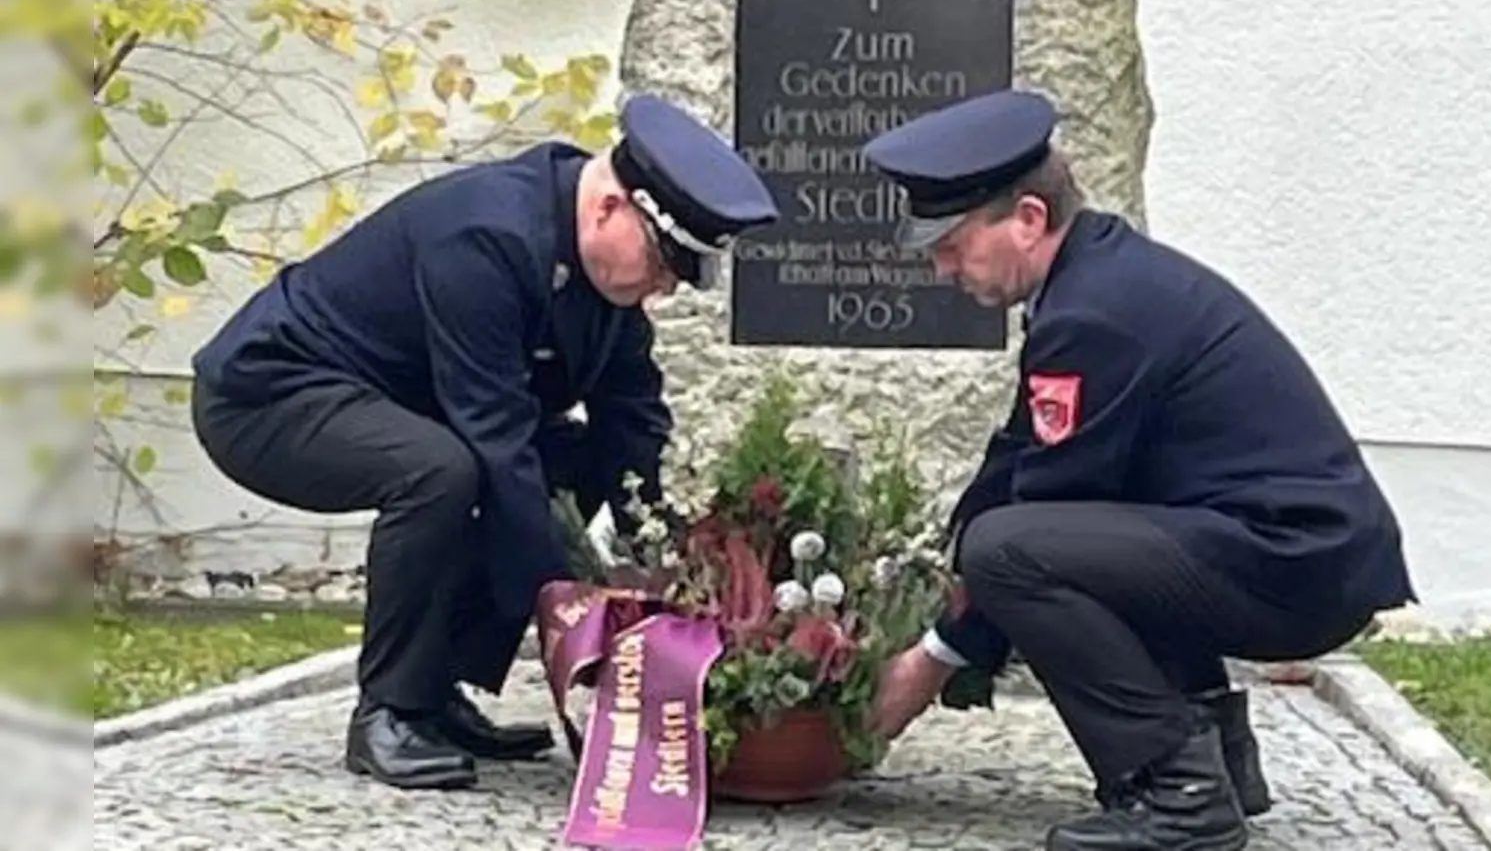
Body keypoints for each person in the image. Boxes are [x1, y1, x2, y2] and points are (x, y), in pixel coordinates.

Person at [861, 89, 1416, 851]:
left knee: (1013, 554)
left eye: (952, 240)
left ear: (1028, 219)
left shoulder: (1095, 312)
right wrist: (941, 569)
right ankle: (1218, 758)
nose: (939, 263)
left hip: (1294, 563)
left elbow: (1045, 519)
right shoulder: (1094, 283)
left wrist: (931, 661)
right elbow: (1019, 458)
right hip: (1286, 548)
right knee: (1019, 541)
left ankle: (1181, 799)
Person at [188, 94, 778, 791]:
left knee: (571, 460)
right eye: (663, 263)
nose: (666, 288)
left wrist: (660, 566)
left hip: (402, 406)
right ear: (611, 209)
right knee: (441, 473)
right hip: (267, 395)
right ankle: (388, 712)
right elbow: (495, 437)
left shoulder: (605, 282)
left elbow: (632, 423)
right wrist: (568, 608)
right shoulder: (486, 236)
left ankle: (434, 692)